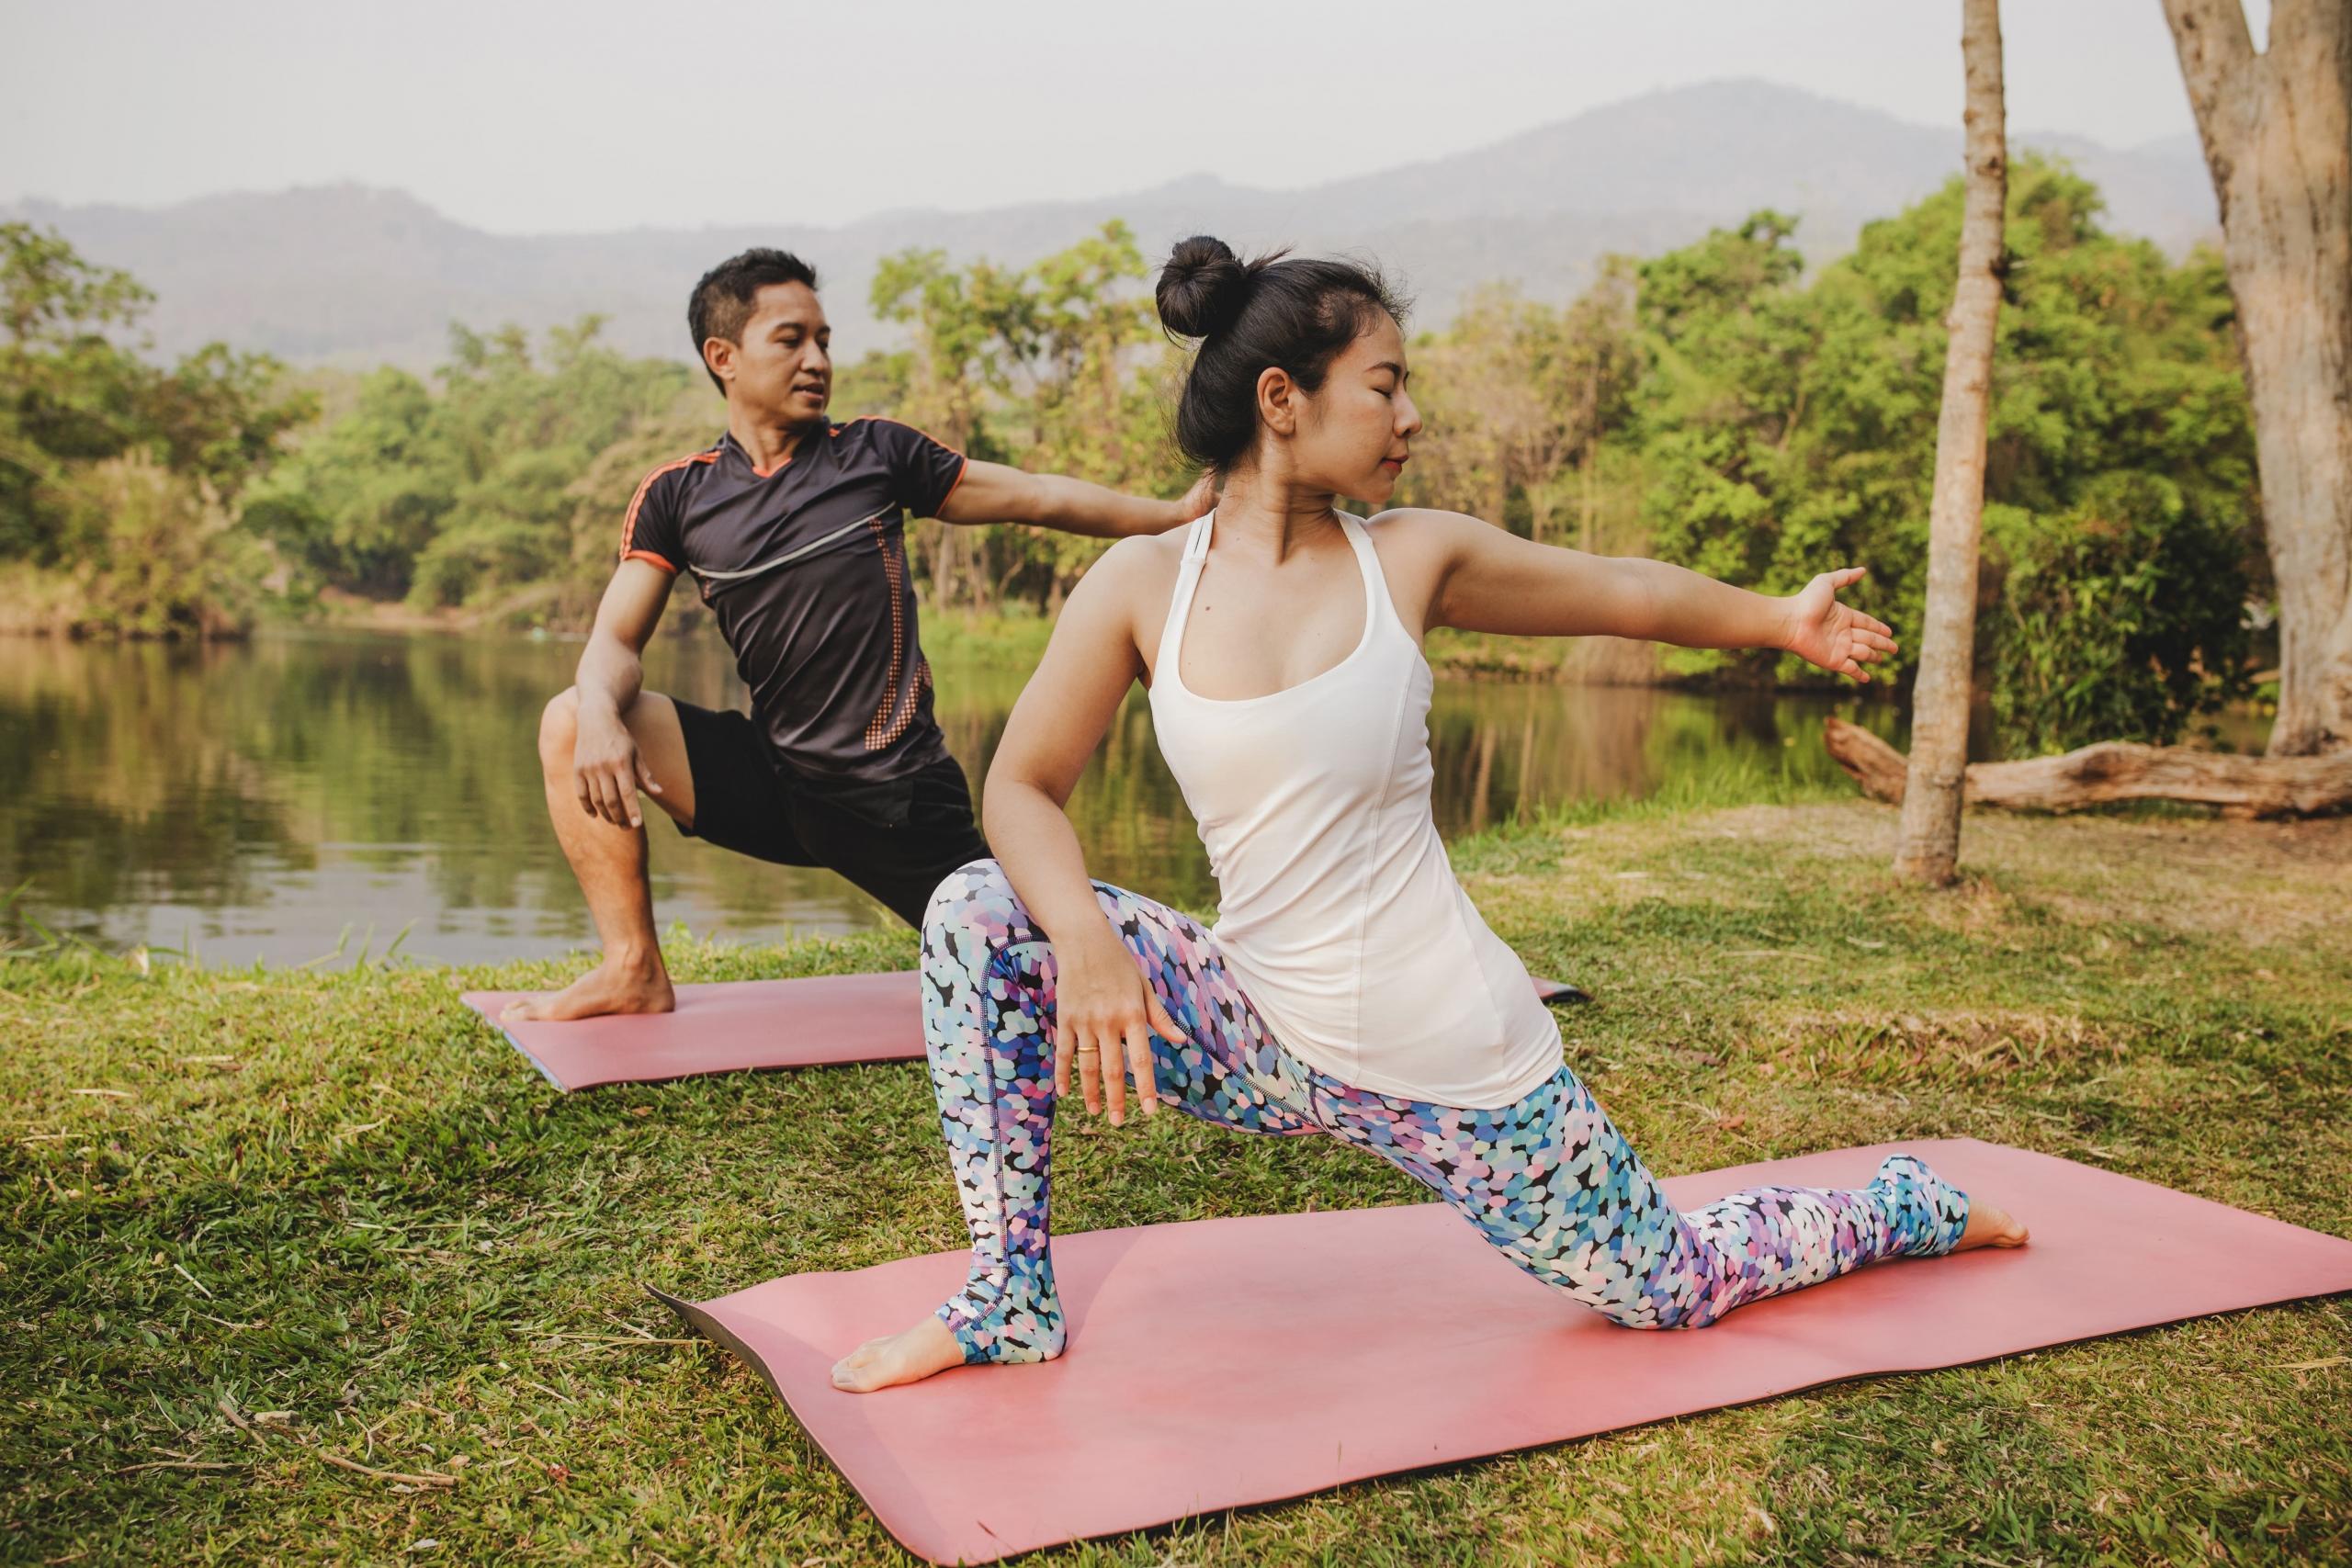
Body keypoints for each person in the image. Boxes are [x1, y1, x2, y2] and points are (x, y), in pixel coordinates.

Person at [831, 237, 2029, 1393]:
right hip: (1253, 1024)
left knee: (1670, 1285)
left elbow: (1622, 592)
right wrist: (1085, 940)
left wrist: (1778, 619)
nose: (1411, 418)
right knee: (978, 909)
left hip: (1448, 1058)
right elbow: (1019, 786)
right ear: (1281, 399)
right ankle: (1007, 1297)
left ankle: (1901, 1203)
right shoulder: (1143, 583)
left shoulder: (1410, 559)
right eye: (1386, 385)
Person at [503, 248, 1214, 1023]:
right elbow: (614, 640)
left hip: (895, 798)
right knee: (571, 718)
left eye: (824, 340)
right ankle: (633, 968)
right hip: (777, 779)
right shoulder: (678, 496)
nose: (817, 360)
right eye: (790, 339)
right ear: (723, 357)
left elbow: (1037, 496)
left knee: (1039, 973)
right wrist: (601, 712)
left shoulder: (874, 453)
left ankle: (1208, 981)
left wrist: (1172, 517)